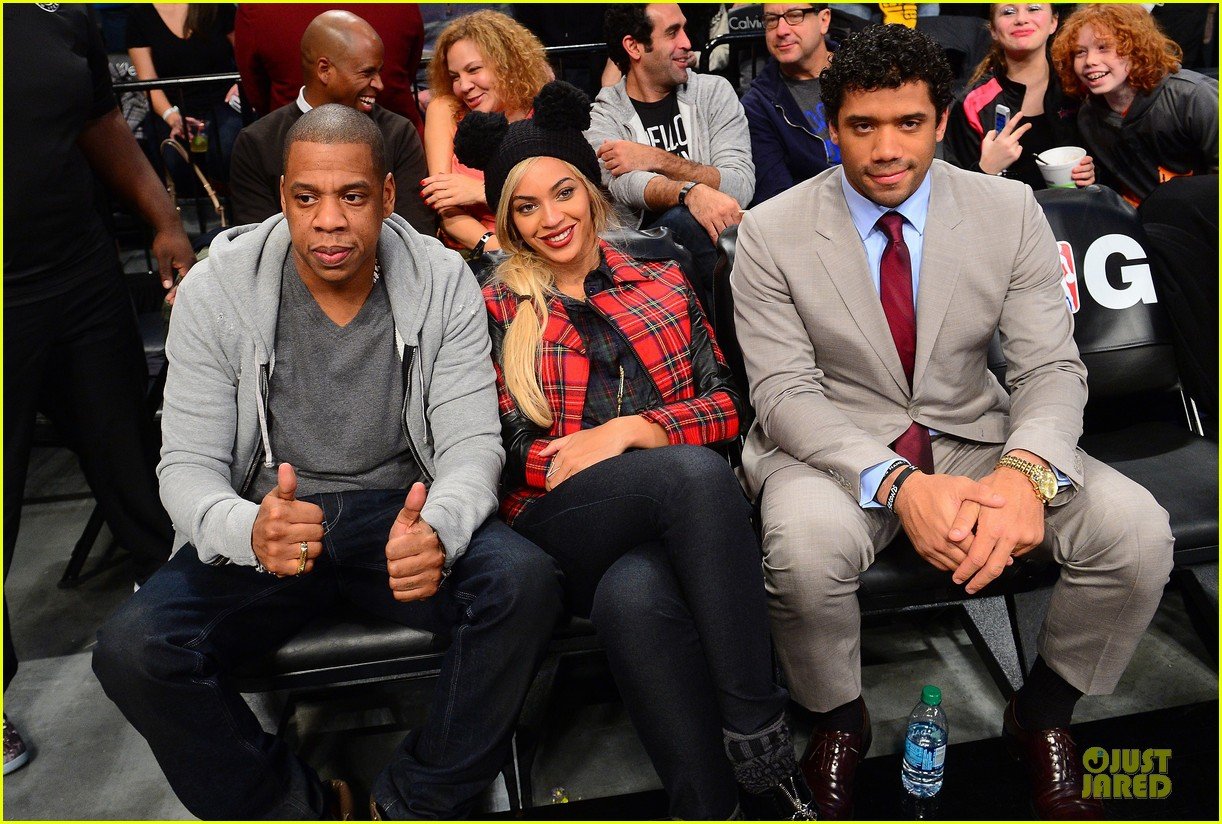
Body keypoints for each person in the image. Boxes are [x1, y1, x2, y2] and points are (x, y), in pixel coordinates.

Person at [730, 24, 1173, 820]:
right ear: (832, 127)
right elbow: (786, 394)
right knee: (803, 555)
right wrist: (902, 486)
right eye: (863, 126)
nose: (886, 149)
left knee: (1136, 532)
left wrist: (1025, 474)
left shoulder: (1007, 207)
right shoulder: (770, 231)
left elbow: (1049, 367)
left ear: (941, 121)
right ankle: (839, 719)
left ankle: (1042, 714)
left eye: (909, 123)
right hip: (829, 447)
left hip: (974, 435)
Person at [91, 104, 565, 820]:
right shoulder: (217, 292)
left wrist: (438, 526)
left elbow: (471, 445)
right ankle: (302, 811)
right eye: (307, 198)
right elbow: (185, 466)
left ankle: (412, 803)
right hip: (271, 525)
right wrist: (246, 529)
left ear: (388, 195)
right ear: (283, 196)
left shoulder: (441, 279)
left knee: (525, 584)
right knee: (133, 649)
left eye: (353, 195)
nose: (330, 221)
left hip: (401, 516)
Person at [458, 81, 816, 821]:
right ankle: (760, 734)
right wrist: (614, 455)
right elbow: (511, 447)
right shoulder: (495, 304)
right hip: (560, 518)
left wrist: (629, 432)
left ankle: (711, 810)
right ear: (509, 221)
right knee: (690, 475)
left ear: (591, 193)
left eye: (564, 193)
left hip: (674, 525)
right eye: (527, 207)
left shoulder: (664, 280)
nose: (551, 218)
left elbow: (729, 406)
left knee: (634, 595)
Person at [4, 2, 194, 775]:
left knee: (134, 464)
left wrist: (164, 217)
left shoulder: (57, 12)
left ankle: (183, 635)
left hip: (79, 275)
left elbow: (97, 123)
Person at [586, 3, 754, 313]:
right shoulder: (604, 118)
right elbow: (626, 186)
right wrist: (691, 193)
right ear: (634, 47)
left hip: (723, 242)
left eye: (685, 29)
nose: (687, 43)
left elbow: (739, 184)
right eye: (672, 33)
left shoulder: (714, 93)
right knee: (680, 221)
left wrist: (655, 159)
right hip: (646, 268)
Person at [228, 9, 432, 232]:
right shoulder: (257, 143)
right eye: (367, 73)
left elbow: (415, 233)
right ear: (324, 70)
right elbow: (256, 241)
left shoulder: (399, 134)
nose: (379, 84)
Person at [1051, 3, 1218, 204]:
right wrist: (1092, 176)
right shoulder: (1089, 116)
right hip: (1132, 218)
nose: (1090, 61)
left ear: (1135, 49)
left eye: (1104, 47)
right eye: (1080, 52)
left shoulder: (1194, 97)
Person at [423, 10, 552, 256]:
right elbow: (446, 208)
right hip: (477, 250)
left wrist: (482, 191)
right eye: (454, 77)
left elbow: (556, 197)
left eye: (473, 70)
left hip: (544, 242)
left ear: (506, 64)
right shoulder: (445, 110)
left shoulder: (543, 108)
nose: (464, 86)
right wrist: (499, 249)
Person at [945, 3, 1095, 191]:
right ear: (993, 30)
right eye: (1008, 12)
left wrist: (1092, 174)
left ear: (1053, 22)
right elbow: (955, 191)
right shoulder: (972, 104)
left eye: (1033, 9)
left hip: (1074, 205)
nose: (1021, 19)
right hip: (1003, 208)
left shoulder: (1079, 85)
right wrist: (986, 169)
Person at [233, 3, 426, 130]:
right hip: (293, 148)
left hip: (395, 145)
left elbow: (257, 92)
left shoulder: (257, 8)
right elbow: (408, 69)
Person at [126, 3, 242, 183]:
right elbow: (148, 81)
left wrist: (242, 80)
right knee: (175, 158)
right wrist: (173, 118)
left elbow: (246, 53)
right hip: (172, 108)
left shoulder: (218, 6)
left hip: (224, 101)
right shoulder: (139, 14)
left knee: (227, 147)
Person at [741, 4, 840, 206]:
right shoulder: (758, 106)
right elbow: (776, 199)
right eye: (771, 19)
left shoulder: (867, 70)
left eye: (795, 16)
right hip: (820, 213)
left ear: (824, 20)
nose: (781, 31)